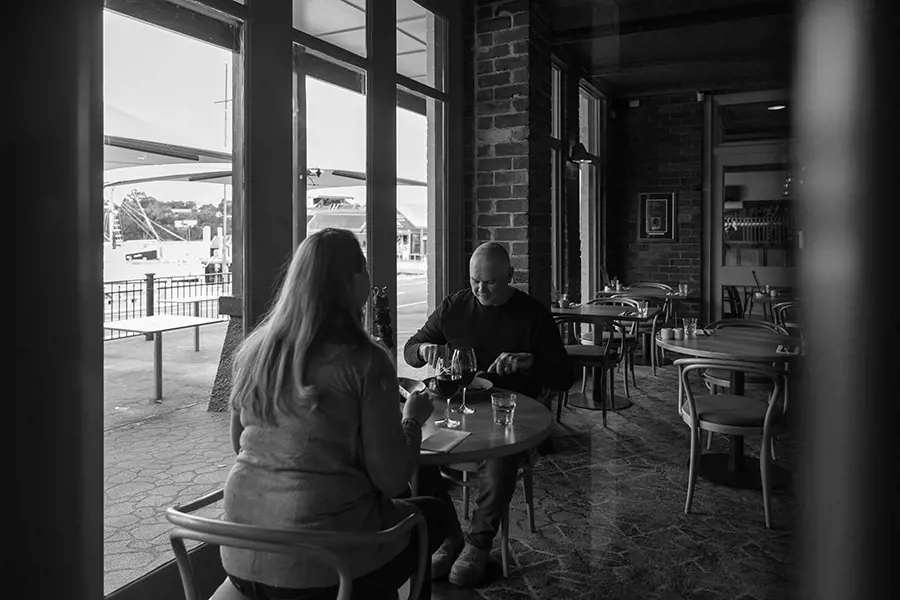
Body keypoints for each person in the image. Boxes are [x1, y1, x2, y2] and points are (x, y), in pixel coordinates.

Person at [223, 227, 453, 600]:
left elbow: (240, 445)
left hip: (239, 553)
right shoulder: (365, 361)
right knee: (433, 515)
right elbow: (392, 478)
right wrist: (412, 417)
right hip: (320, 566)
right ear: (352, 282)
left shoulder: (256, 352)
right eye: (363, 268)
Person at [403, 242, 574, 587]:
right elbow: (410, 350)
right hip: (457, 407)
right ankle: (449, 535)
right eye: (474, 281)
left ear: (510, 276)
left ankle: (477, 545)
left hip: (508, 413)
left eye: (490, 283)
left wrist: (532, 362)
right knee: (416, 452)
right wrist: (424, 348)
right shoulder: (455, 306)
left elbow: (565, 375)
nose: (480, 290)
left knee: (500, 457)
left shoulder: (532, 314)